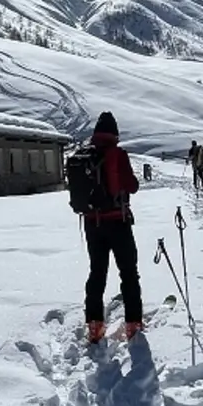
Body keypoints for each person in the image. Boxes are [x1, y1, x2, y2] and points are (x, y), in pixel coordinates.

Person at [69, 111, 143, 343]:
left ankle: (94, 325)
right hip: (117, 221)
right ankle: (133, 324)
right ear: (115, 133)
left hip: (92, 223)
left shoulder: (84, 155)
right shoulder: (117, 155)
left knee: (97, 273)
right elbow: (131, 186)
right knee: (129, 273)